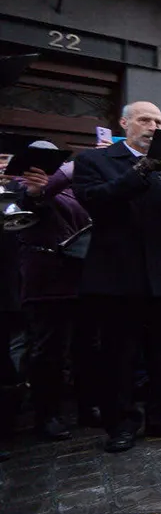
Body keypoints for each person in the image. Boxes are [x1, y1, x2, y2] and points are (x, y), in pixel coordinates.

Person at [73, 101, 161, 452]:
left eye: (159, 120)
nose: (153, 126)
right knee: (119, 356)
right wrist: (142, 169)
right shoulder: (93, 161)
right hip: (118, 276)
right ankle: (122, 425)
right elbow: (97, 200)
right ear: (124, 123)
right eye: (145, 120)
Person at [14, 148, 98, 440]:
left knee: (88, 347)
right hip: (48, 283)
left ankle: (88, 406)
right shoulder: (22, 188)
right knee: (49, 352)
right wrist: (37, 192)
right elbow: (29, 207)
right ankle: (47, 415)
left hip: (83, 277)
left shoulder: (76, 190)